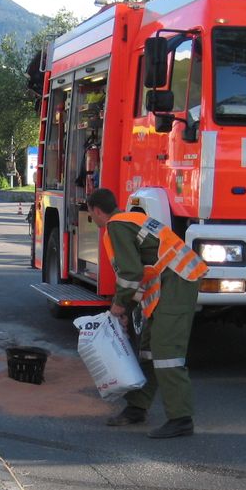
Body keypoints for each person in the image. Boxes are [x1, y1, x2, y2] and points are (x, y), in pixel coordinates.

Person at [87, 187, 208, 439]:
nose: (93, 220)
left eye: (91, 215)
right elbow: (141, 272)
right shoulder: (130, 219)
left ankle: (181, 419)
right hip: (170, 283)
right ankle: (136, 408)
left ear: (97, 211)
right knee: (149, 349)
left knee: (167, 353)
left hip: (177, 283)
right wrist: (127, 308)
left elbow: (130, 274)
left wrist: (119, 306)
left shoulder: (116, 226)